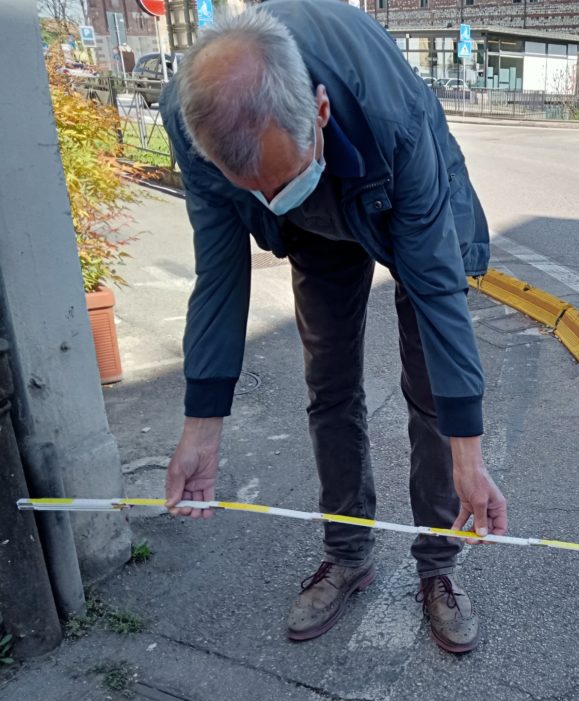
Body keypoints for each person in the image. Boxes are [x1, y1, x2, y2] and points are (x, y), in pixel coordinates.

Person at [159, 0, 507, 654]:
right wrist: (200, 431)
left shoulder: (391, 118)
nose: (269, 202)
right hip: (316, 238)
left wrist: (471, 454)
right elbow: (220, 275)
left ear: (319, 110)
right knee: (329, 384)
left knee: (433, 392)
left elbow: (435, 288)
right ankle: (348, 553)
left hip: (388, 186)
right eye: (252, 191)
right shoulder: (193, 116)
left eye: (281, 182)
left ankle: (438, 566)